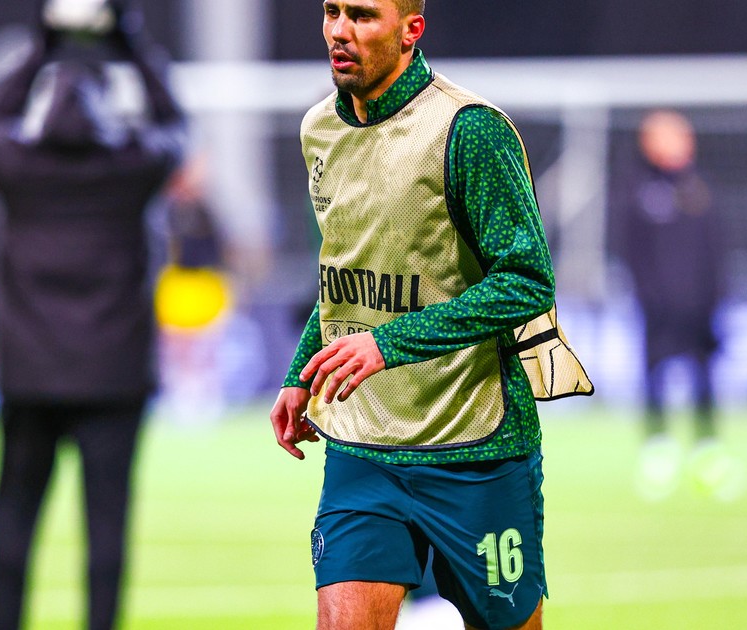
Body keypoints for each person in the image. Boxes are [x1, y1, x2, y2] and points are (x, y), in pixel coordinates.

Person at [270, 2, 591, 629]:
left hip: (474, 446)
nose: (339, 31)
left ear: (410, 31)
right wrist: (300, 372)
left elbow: (526, 280)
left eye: (363, 16)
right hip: (364, 447)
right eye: (332, 11)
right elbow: (346, 275)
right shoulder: (318, 128)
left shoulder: (468, 129)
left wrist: (388, 344)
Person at [0, 1, 185, 627]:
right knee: (106, 530)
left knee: (13, 521)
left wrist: (42, 43)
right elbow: (175, 125)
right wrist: (129, 45)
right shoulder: (129, 169)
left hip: (28, 377)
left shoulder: (17, 168)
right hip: (114, 378)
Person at [613, 109, 745, 502]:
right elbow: (630, 252)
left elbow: (716, 251)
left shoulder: (700, 189)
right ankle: (658, 454)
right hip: (657, 311)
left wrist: (717, 299)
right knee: (654, 377)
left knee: (705, 378)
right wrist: (649, 297)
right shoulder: (637, 191)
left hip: (701, 308)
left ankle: (708, 454)